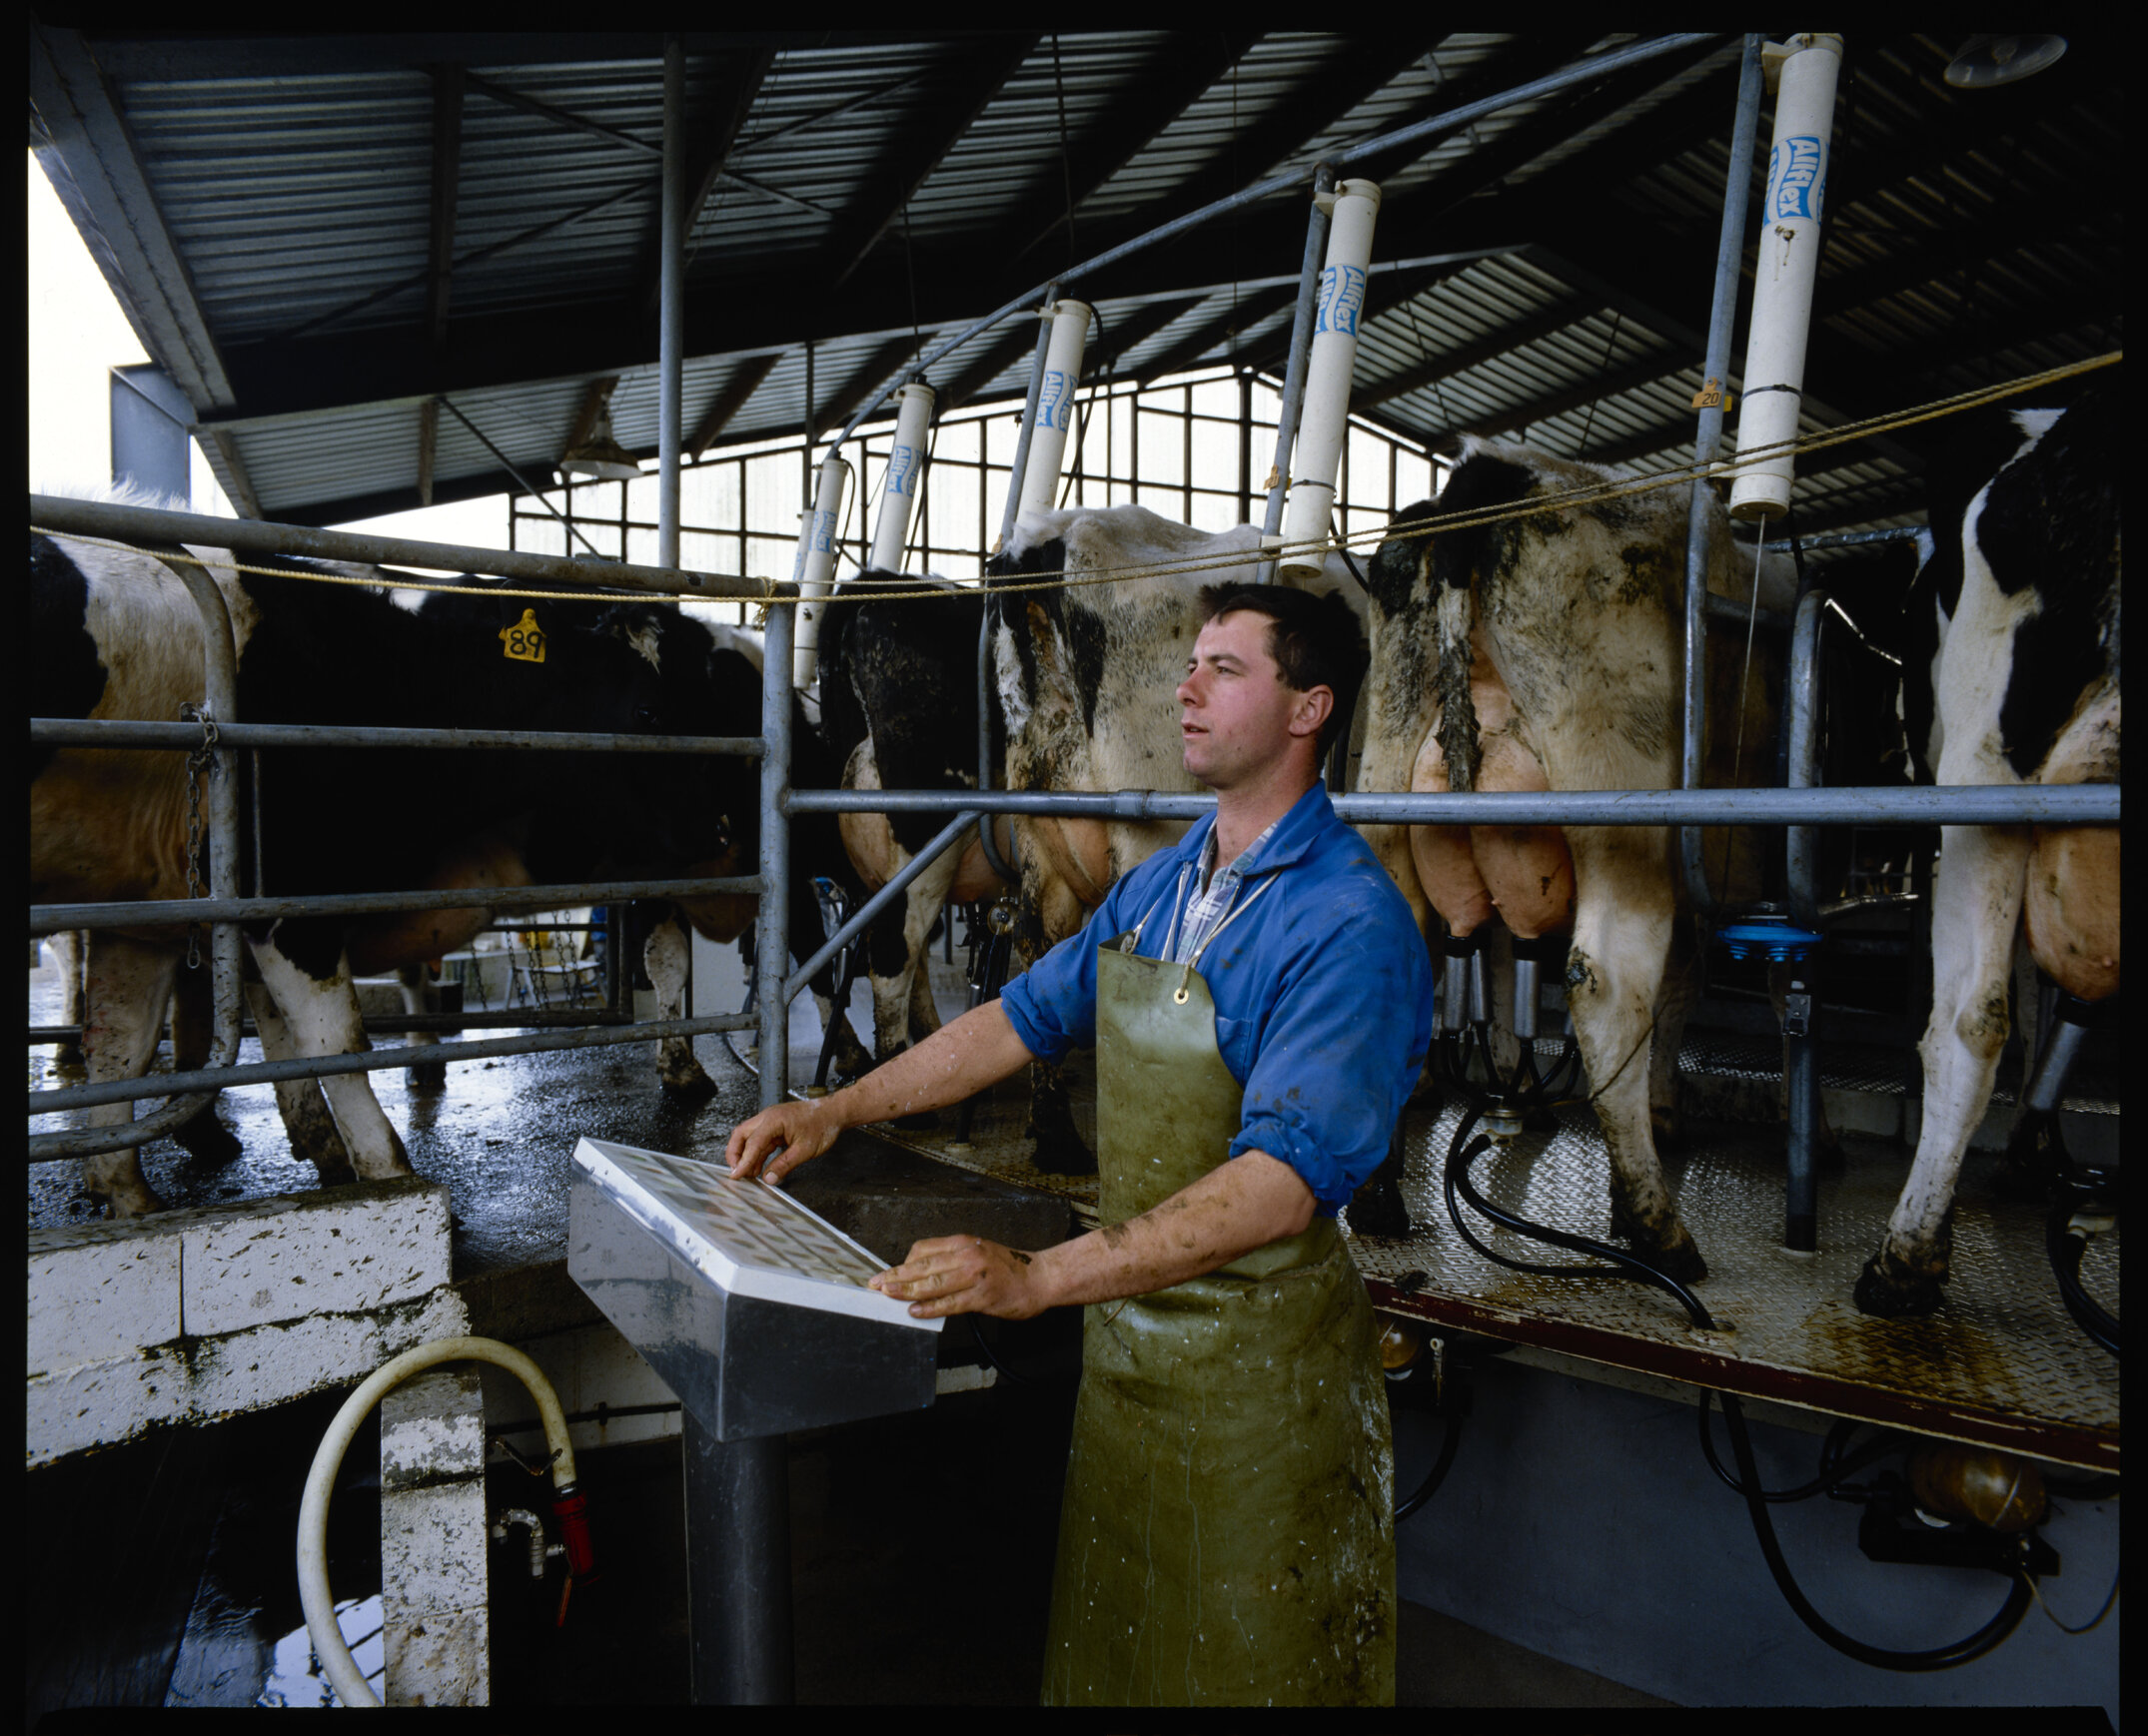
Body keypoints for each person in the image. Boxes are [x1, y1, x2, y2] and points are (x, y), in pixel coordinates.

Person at [726, 581, 1436, 1706]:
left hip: (1263, 1380)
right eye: (1189, 662)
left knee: (1250, 1668)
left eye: (1224, 668)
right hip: (1131, 1354)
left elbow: (1279, 1189)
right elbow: (1013, 1020)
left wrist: (1037, 1275)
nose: (1183, 686)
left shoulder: (1347, 922)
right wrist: (837, 1108)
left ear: (1309, 709)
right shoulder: (1159, 887)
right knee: (1123, 1652)